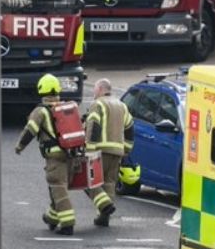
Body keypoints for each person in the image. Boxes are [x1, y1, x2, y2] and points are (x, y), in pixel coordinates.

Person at [14, 74, 77, 235]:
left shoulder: (40, 111)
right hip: (71, 153)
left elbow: (30, 130)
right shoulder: (66, 107)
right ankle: (51, 218)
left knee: (57, 188)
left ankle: (67, 223)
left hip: (54, 156)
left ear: (41, 89)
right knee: (58, 188)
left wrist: (19, 146)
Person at [83, 78, 133, 227]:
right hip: (117, 151)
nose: (93, 93)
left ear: (99, 89)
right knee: (109, 182)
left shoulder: (97, 104)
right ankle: (104, 217)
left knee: (89, 181)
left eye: (94, 90)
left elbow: (94, 125)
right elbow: (130, 127)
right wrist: (127, 148)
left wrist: (89, 149)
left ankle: (104, 206)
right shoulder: (122, 105)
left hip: (100, 150)